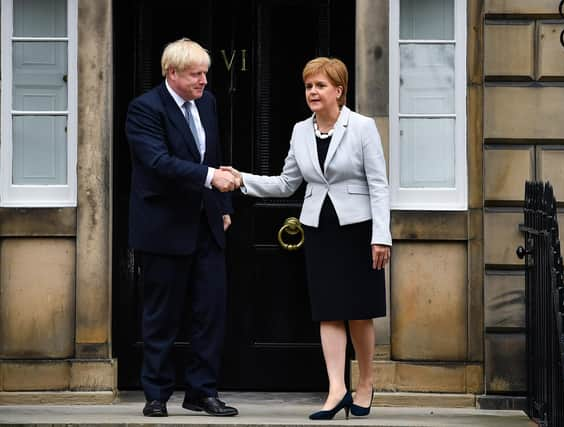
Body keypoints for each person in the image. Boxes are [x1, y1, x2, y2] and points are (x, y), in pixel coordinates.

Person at [223, 57, 391, 420]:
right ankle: (336, 389)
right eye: (309, 86)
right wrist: (242, 180)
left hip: (359, 229)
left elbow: (379, 185)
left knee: (360, 313)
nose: (313, 92)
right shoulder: (301, 130)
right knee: (328, 311)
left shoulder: (362, 127)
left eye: (320, 86)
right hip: (319, 228)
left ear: (339, 91)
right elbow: (287, 183)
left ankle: (365, 383)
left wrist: (382, 236)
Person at [125, 38, 239, 418]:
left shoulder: (207, 103)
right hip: (163, 227)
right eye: (196, 74)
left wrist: (222, 206)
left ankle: (201, 393)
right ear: (171, 73)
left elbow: (215, 155)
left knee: (210, 312)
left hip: (206, 224)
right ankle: (156, 395)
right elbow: (158, 162)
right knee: (162, 316)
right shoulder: (144, 109)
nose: (204, 81)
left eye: (205, 73)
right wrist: (211, 179)